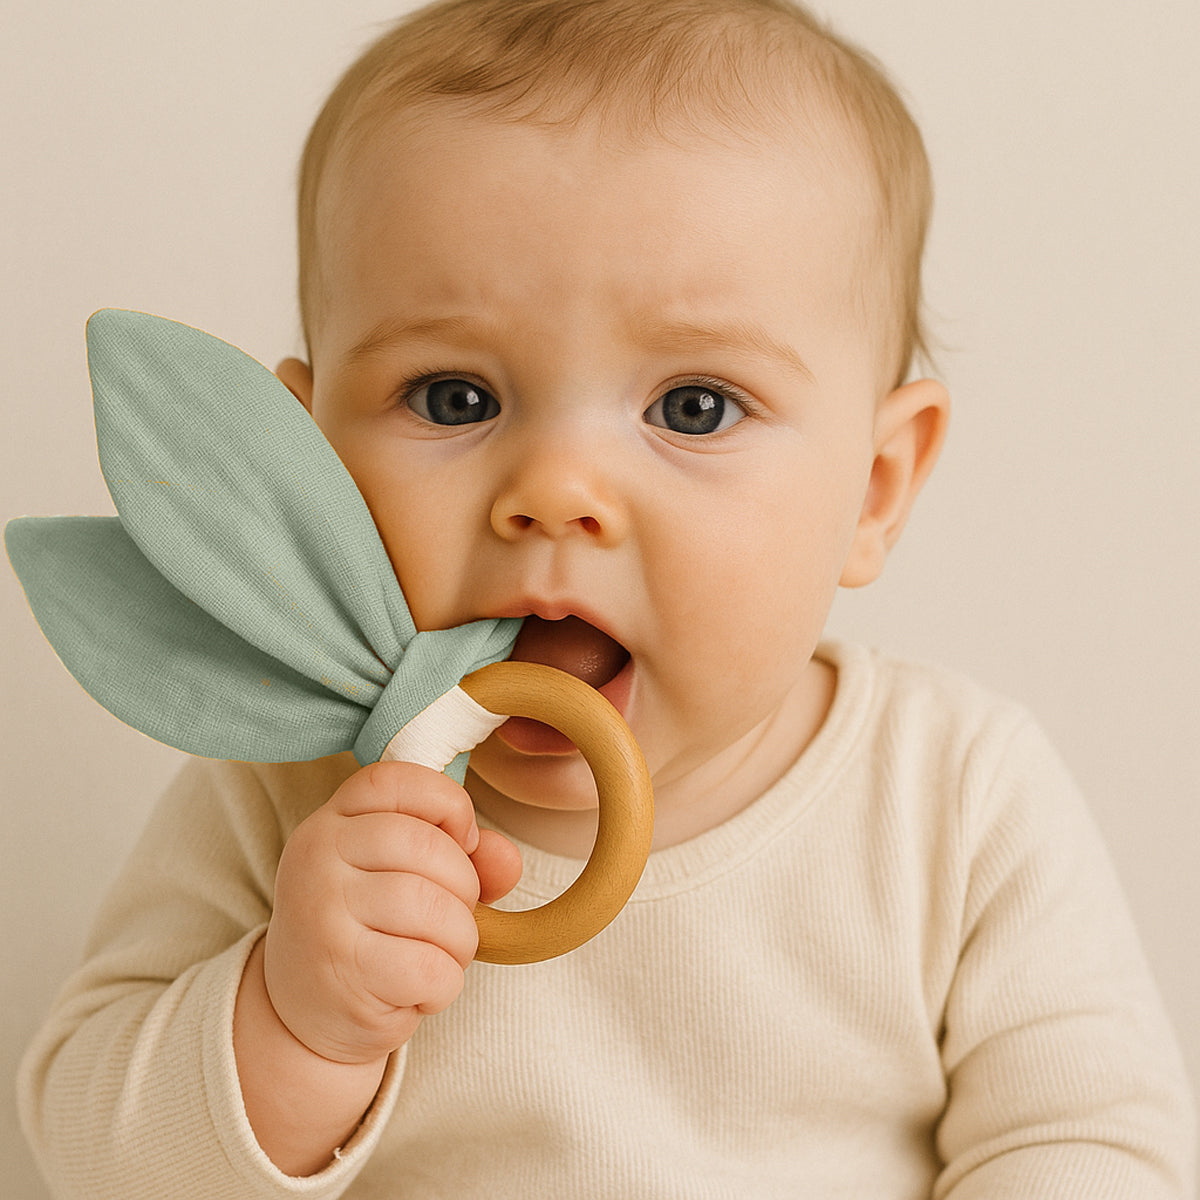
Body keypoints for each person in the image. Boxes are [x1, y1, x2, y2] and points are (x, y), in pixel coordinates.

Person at [17, 0, 1195, 1196]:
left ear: (876, 487)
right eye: (453, 398)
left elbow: (1094, 1147)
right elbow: (85, 1156)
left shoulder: (951, 796)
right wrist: (293, 1022)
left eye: (695, 407)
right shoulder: (286, 791)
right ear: (303, 460)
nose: (556, 492)